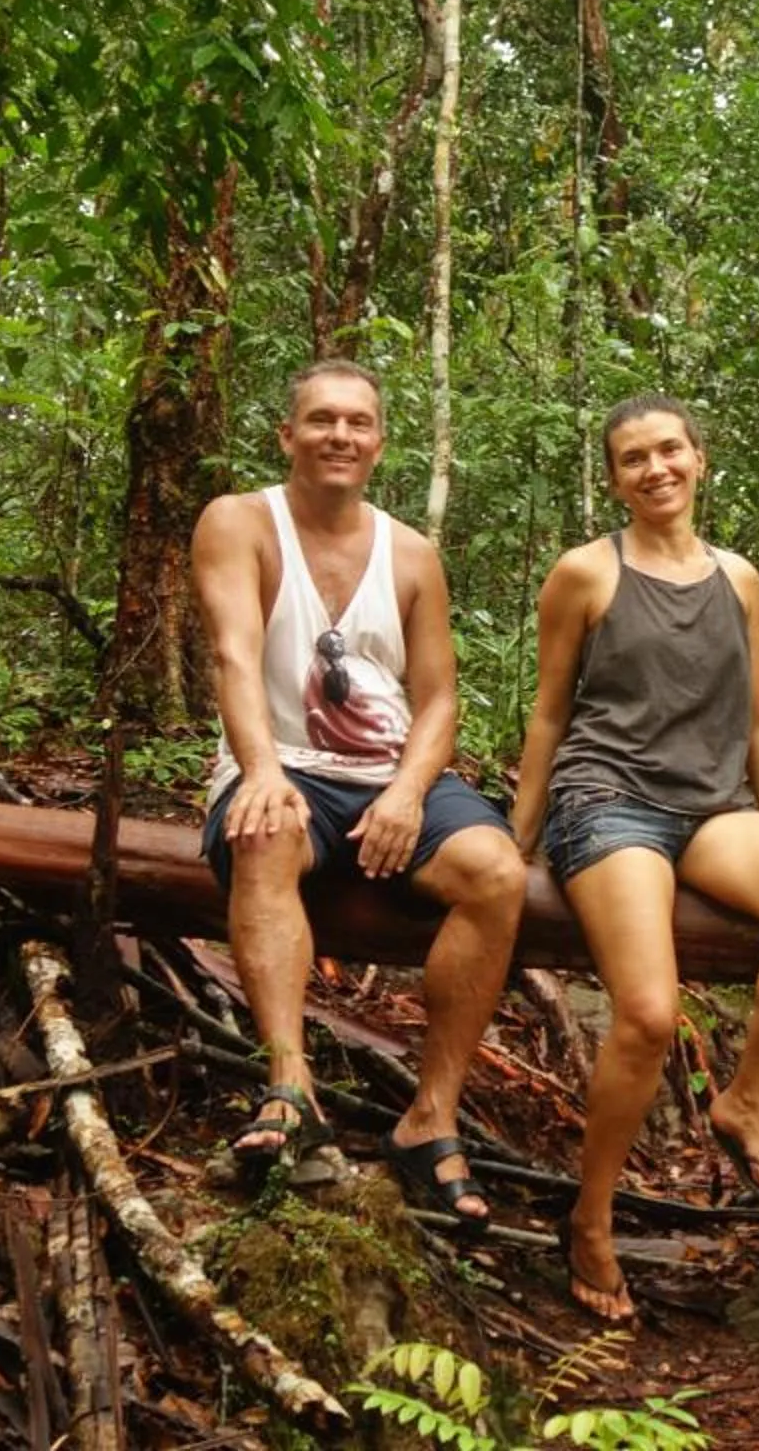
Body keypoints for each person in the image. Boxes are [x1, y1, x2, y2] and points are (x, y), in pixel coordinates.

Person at [512, 395, 759, 1321]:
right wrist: (518, 839)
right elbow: (549, 713)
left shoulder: (739, 578)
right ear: (614, 479)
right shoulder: (586, 573)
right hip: (607, 799)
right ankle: (591, 1218)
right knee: (649, 1013)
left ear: (700, 458)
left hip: (713, 807)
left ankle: (746, 1100)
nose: (655, 469)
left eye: (670, 450)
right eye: (634, 458)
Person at [193, 359, 527, 1237]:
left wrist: (410, 792)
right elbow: (233, 654)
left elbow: (440, 697)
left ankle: (430, 1117)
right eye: (321, 419)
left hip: (389, 775)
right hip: (282, 761)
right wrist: (260, 770)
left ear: (379, 443)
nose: (339, 435)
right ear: (288, 435)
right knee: (266, 834)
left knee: (497, 872)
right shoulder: (239, 522)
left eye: (357, 422)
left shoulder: (410, 553)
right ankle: (289, 1084)